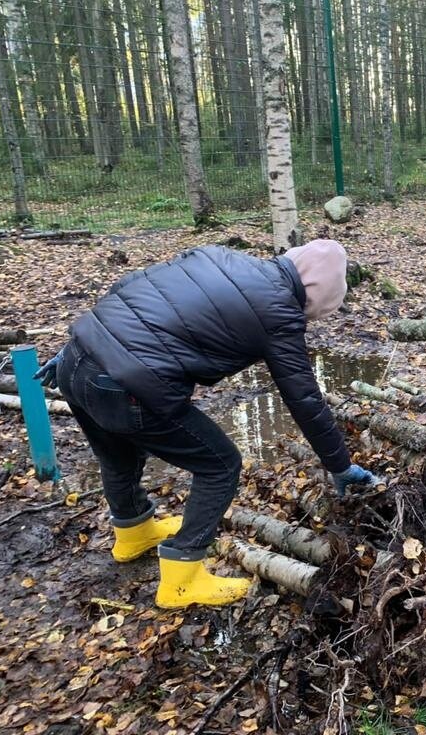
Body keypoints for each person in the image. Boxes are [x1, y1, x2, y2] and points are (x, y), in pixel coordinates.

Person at [34, 240, 376, 609]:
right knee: (220, 464)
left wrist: (79, 345)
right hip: (124, 384)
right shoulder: (279, 312)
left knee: (117, 455)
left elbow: (134, 285)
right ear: (316, 296)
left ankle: (133, 533)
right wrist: (340, 466)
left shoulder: (220, 257)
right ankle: (181, 579)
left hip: (75, 361)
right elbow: (304, 399)